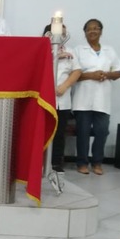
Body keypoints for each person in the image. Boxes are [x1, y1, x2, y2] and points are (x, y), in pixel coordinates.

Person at [72, 19, 120, 175]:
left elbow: (119, 72)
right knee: (83, 132)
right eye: (89, 29)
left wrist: (106, 74)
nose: (92, 31)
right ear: (85, 33)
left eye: (96, 28)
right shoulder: (78, 50)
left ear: (101, 31)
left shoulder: (109, 50)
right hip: (82, 99)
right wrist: (91, 75)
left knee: (102, 131)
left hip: (102, 99)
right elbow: (73, 74)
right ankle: (82, 163)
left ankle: (97, 162)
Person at [43, 23, 81, 172]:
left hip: (62, 100)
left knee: (59, 133)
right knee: (42, 131)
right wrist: (56, 56)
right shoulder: (42, 49)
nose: (62, 37)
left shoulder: (70, 51)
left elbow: (77, 71)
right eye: (59, 34)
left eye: (64, 34)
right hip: (44, 99)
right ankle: (39, 162)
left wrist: (65, 86)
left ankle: (56, 163)